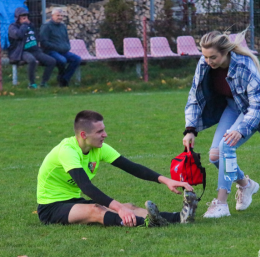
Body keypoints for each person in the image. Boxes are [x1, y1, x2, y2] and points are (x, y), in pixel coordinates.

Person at [37, 110, 198, 227]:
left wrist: (166, 180)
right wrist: (119, 208)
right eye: (100, 131)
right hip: (51, 207)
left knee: (130, 207)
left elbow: (132, 168)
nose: (105, 134)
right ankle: (150, 223)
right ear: (84, 135)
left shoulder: (99, 148)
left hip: (74, 201)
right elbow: (86, 187)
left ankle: (179, 217)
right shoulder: (67, 151)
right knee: (97, 210)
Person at [183, 29, 260, 218]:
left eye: (213, 57)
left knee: (227, 146)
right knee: (215, 156)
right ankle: (246, 185)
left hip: (251, 109)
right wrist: (190, 129)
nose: (208, 61)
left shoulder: (244, 65)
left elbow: (257, 105)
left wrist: (241, 130)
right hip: (232, 106)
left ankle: (221, 204)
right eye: (205, 56)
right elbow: (194, 95)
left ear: (225, 52)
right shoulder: (204, 63)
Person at [8, 7, 56, 89]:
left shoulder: (30, 25)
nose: (25, 17)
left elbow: (37, 36)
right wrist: (24, 25)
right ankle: (32, 84)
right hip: (22, 51)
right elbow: (18, 35)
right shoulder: (13, 27)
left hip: (35, 50)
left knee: (51, 61)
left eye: (26, 15)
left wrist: (38, 46)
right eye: (22, 15)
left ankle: (44, 83)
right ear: (17, 17)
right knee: (32, 60)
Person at [40, 8, 81, 87]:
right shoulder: (46, 26)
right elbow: (43, 42)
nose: (60, 17)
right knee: (62, 60)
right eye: (58, 15)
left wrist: (67, 46)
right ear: (52, 16)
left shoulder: (63, 26)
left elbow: (66, 39)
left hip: (63, 51)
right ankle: (61, 78)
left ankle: (64, 79)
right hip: (51, 51)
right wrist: (56, 47)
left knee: (77, 59)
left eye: (61, 16)